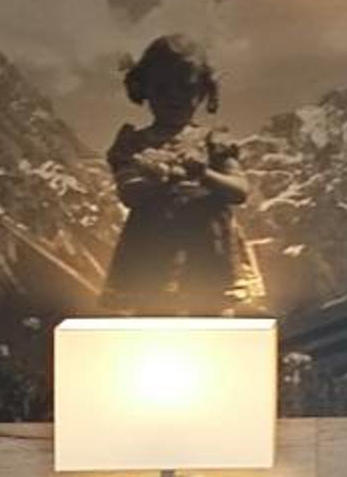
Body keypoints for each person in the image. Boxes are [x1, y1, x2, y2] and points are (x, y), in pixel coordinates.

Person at [100, 34, 264, 313]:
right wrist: (161, 179)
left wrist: (204, 174)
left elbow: (239, 191)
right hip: (151, 249)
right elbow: (128, 193)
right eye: (162, 88)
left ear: (202, 92)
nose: (174, 97)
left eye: (185, 88)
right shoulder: (133, 143)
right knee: (152, 314)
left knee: (211, 313)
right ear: (145, 90)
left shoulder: (214, 141)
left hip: (210, 251)